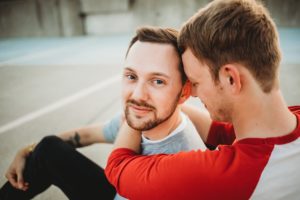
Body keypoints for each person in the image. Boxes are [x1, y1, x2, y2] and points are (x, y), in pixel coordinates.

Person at [104, 0, 300, 199]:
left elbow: (117, 165)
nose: (193, 94)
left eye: (196, 83)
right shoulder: (286, 126)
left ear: (230, 78)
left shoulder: (220, 175)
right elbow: (221, 132)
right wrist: (163, 99)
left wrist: (137, 103)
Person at [0, 27, 207, 200]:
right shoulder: (141, 119)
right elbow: (87, 135)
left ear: (184, 92)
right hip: (120, 189)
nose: (138, 95)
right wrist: (29, 151)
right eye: (131, 76)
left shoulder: (183, 165)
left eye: (158, 81)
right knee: (48, 149)